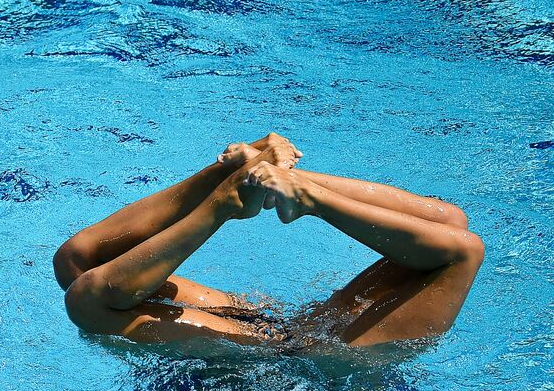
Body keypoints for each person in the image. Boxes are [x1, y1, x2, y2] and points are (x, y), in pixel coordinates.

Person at [54, 134, 484, 347]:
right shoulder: (103, 306)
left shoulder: (112, 308)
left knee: (79, 268)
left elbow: (86, 264)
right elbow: (93, 290)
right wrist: (224, 196)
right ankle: (291, 192)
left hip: (303, 356)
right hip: (314, 364)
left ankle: (273, 186)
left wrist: (229, 180)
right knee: (459, 245)